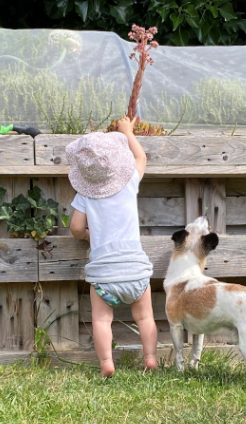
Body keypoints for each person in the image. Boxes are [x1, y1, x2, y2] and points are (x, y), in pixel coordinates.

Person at [68, 116, 158, 377]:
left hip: (104, 274)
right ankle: (150, 357)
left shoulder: (85, 194)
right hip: (135, 271)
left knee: (101, 319)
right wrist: (127, 131)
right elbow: (141, 159)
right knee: (144, 318)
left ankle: (107, 362)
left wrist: (87, 236)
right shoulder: (129, 182)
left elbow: (75, 228)